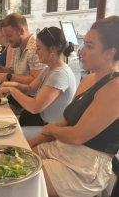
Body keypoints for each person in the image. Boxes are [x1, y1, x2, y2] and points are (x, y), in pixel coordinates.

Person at [28, 16, 119, 197]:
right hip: (64, 150)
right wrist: (35, 139)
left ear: (110, 52)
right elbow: (65, 122)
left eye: (90, 47)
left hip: (85, 169)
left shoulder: (115, 87)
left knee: (22, 180)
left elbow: (76, 136)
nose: (81, 51)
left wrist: (50, 129)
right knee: (14, 159)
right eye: (84, 44)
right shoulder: (89, 79)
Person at [0, 27, 76, 126]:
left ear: (52, 49)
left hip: (51, 131)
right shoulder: (49, 69)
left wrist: (12, 90)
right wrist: (9, 85)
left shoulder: (60, 74)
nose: (36, 52)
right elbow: (30, 89)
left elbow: (35, 107)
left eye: (38, 48)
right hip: (41, 123)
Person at [0, 13, 45, 115]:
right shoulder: (16, 45)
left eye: (9, 36)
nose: (7, 40)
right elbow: (12, 71)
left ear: (21, 31)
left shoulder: (35, 46)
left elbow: (35, 80)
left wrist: (8, 77)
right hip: (15, 97)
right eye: (5, 36)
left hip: (28, 103)